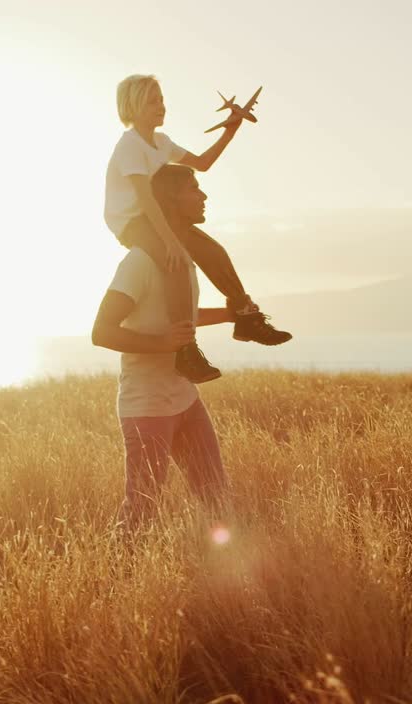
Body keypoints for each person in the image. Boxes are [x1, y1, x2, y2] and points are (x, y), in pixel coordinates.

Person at [105, 74, 291, 385]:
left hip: (154, 218)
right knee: (175, 262)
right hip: (132, 221)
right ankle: (185, 350)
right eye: (152, 101)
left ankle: (246, 318)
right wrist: (171, 242)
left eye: (162, 99)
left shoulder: (161, 143)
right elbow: (145, 198)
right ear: (132, 106)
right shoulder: (130, 146)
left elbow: (202, 163)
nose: (161, 106)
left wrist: (231, 130)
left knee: (212, 251)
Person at [93, 164, 242, 530]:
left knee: (215, 495)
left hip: (185, 399)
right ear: (171, 201)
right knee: (142, 508)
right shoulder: (139, 262)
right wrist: (161, 344)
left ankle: (222, 577)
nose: (204, 196)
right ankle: (116, 580)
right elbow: (102, 331)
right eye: (195, 188)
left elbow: (180, 319)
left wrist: (229, 314)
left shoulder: (182, 258)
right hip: (147, 407)